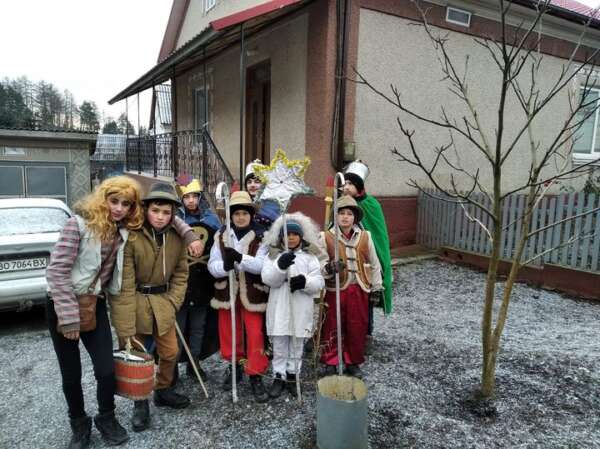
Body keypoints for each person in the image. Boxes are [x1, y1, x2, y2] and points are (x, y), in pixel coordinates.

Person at [46, 176, 142, 449]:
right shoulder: (77, 225)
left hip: (94, 304)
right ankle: (79, 424)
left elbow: (167, 218)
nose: (119, 208)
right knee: (71, 374)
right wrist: (68, 318)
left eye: (126, 203)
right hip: (62, 305)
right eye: (114, 201)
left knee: (106, 369)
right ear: (103, 199)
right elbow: (57, 272)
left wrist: (190, 234)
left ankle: (106, 417)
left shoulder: (123, 230)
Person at [110, 182, 190, 432]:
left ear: (172, 214)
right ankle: (140, 403)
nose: (160, 217)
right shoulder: (132, 236)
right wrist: (125, 323)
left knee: (170, 352)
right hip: (136, 302)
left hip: (163, 303)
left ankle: (163, 390)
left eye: (166, 212)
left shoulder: (177, 238)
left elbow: (181, 274)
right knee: (138, 357)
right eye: (156, 210)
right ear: (146, 210)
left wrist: (173, 301)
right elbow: (124, 283)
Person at [208, 190, 270, 403]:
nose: (241, 217)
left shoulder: (262, 236)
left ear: (251, 215)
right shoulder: (221, 236)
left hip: (252, 293)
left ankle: (255, 374)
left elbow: (261, 265)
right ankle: (234, 366)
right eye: (236, 213)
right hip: (227, 292)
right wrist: (225, 266)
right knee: (229, 332)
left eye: (245, 213)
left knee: (254, 333)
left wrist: (240, 258)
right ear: (230, 215)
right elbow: (212, 265)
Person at [319, 195, 383, 378]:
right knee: (332, 325)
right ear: (335, 216)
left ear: (355, 217)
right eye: (341, 213)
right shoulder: (326, 237)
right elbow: (319, 265)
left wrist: (377, 287)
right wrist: (329, 268)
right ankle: (331, 361)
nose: (345, 217)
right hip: (335, 290)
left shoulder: (365, 236)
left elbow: (374, 263)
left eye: (349, 214)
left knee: (357, 326)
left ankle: (353, 361)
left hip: (359, 289)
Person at [261, 213, 325, 398]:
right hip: (279, 307)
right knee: (280, 345)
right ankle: (278, 376)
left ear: (301, 236)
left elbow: (319, 281)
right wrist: (280, 267)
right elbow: (268, 279)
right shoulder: (273, 255)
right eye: (287, 234)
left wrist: (304, 282)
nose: (291, 238)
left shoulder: (309, 256)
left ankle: (292, 375)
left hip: (300, 307)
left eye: (294, 234)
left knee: (296, 346)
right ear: (281, 236)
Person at [174, 178, 221, 382]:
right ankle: (171, 368)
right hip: (181, 282)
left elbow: (219, 246)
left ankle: (194, 364)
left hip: (203, 282)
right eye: (187, 197)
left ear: (200, 198)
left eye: (194, 196)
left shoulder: (211, 219)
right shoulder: (175, 220)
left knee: (198, 326)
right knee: (177, 328)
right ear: (181, 200)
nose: (191, 200)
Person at [343, 160, 393, 331]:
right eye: (345, 183)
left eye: (350, 184)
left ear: (359, 186)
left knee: (364, 300)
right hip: (345, 260)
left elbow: (379, 237)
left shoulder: (371, 205)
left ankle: (366, 332)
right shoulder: (340, 204)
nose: (346, 187)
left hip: (364, 262)